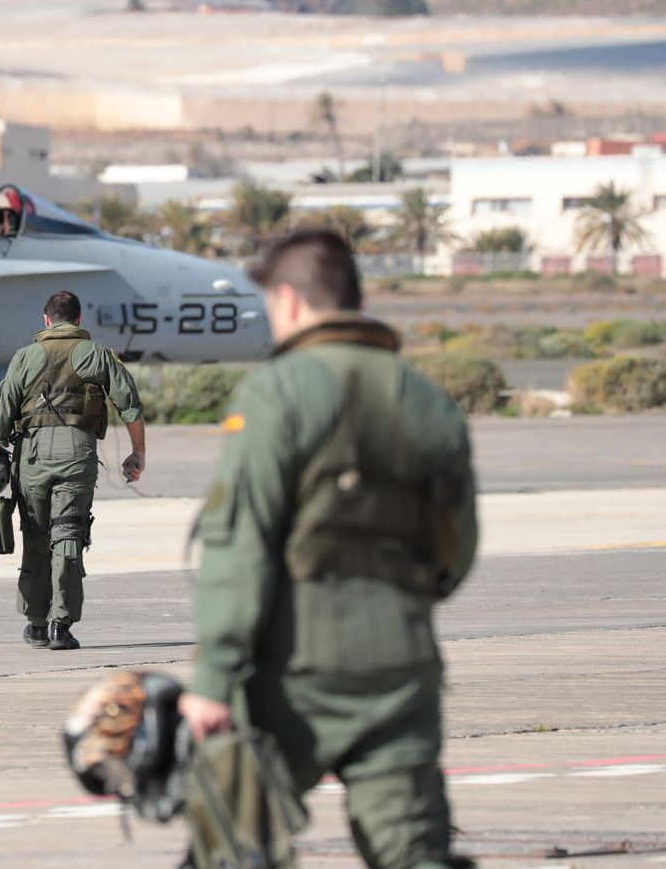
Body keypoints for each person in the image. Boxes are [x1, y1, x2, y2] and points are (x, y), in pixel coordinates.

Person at [179, 228, 479, 869]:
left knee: (231, 851)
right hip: (401, 666)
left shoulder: (277, 392)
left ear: (288, 300)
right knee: (415, 854)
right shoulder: (430, 402)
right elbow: (456, 555)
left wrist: (212, 679)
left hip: (294, 677)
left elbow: (240, 549)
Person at [0, 291, 146, 651]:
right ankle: (61, 625)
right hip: (77, 453)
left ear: (46, 320)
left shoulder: (24, 357)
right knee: (68, 533)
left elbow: (3, 414)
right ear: (79, 319)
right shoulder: (98, 354)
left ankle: (37, 624)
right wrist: (138, 454)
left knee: (36, 535)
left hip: (32, 457)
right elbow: (130, 405)